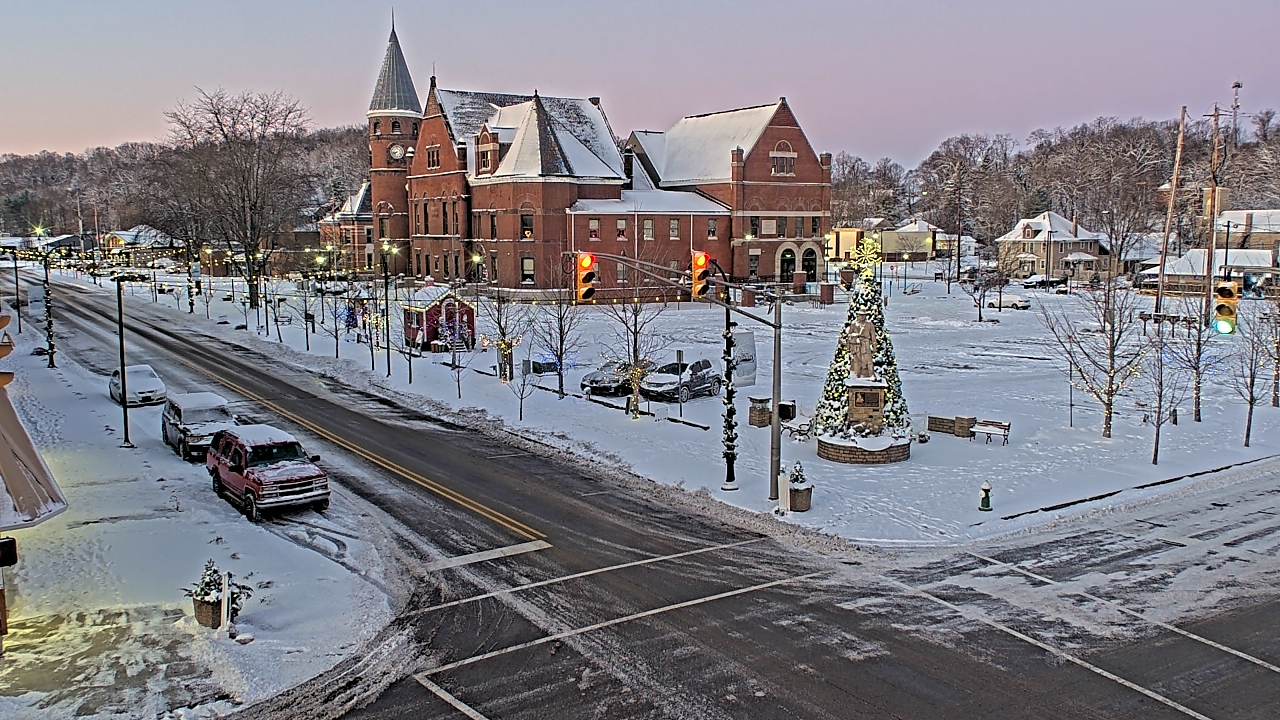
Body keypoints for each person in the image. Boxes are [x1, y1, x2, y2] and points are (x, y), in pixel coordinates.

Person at [846, 311, 877, 379]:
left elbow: (873, 336)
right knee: (856, 361)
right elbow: (849, 335)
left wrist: (874, 345)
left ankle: (871, 374)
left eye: (864, 315)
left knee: (869, 360)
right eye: (860, 315)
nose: (862, 317)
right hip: (856, 345)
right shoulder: (854, 324)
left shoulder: (869, 324)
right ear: (857, 315)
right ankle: (857, 375)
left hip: (865, 344)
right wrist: (848, 345)